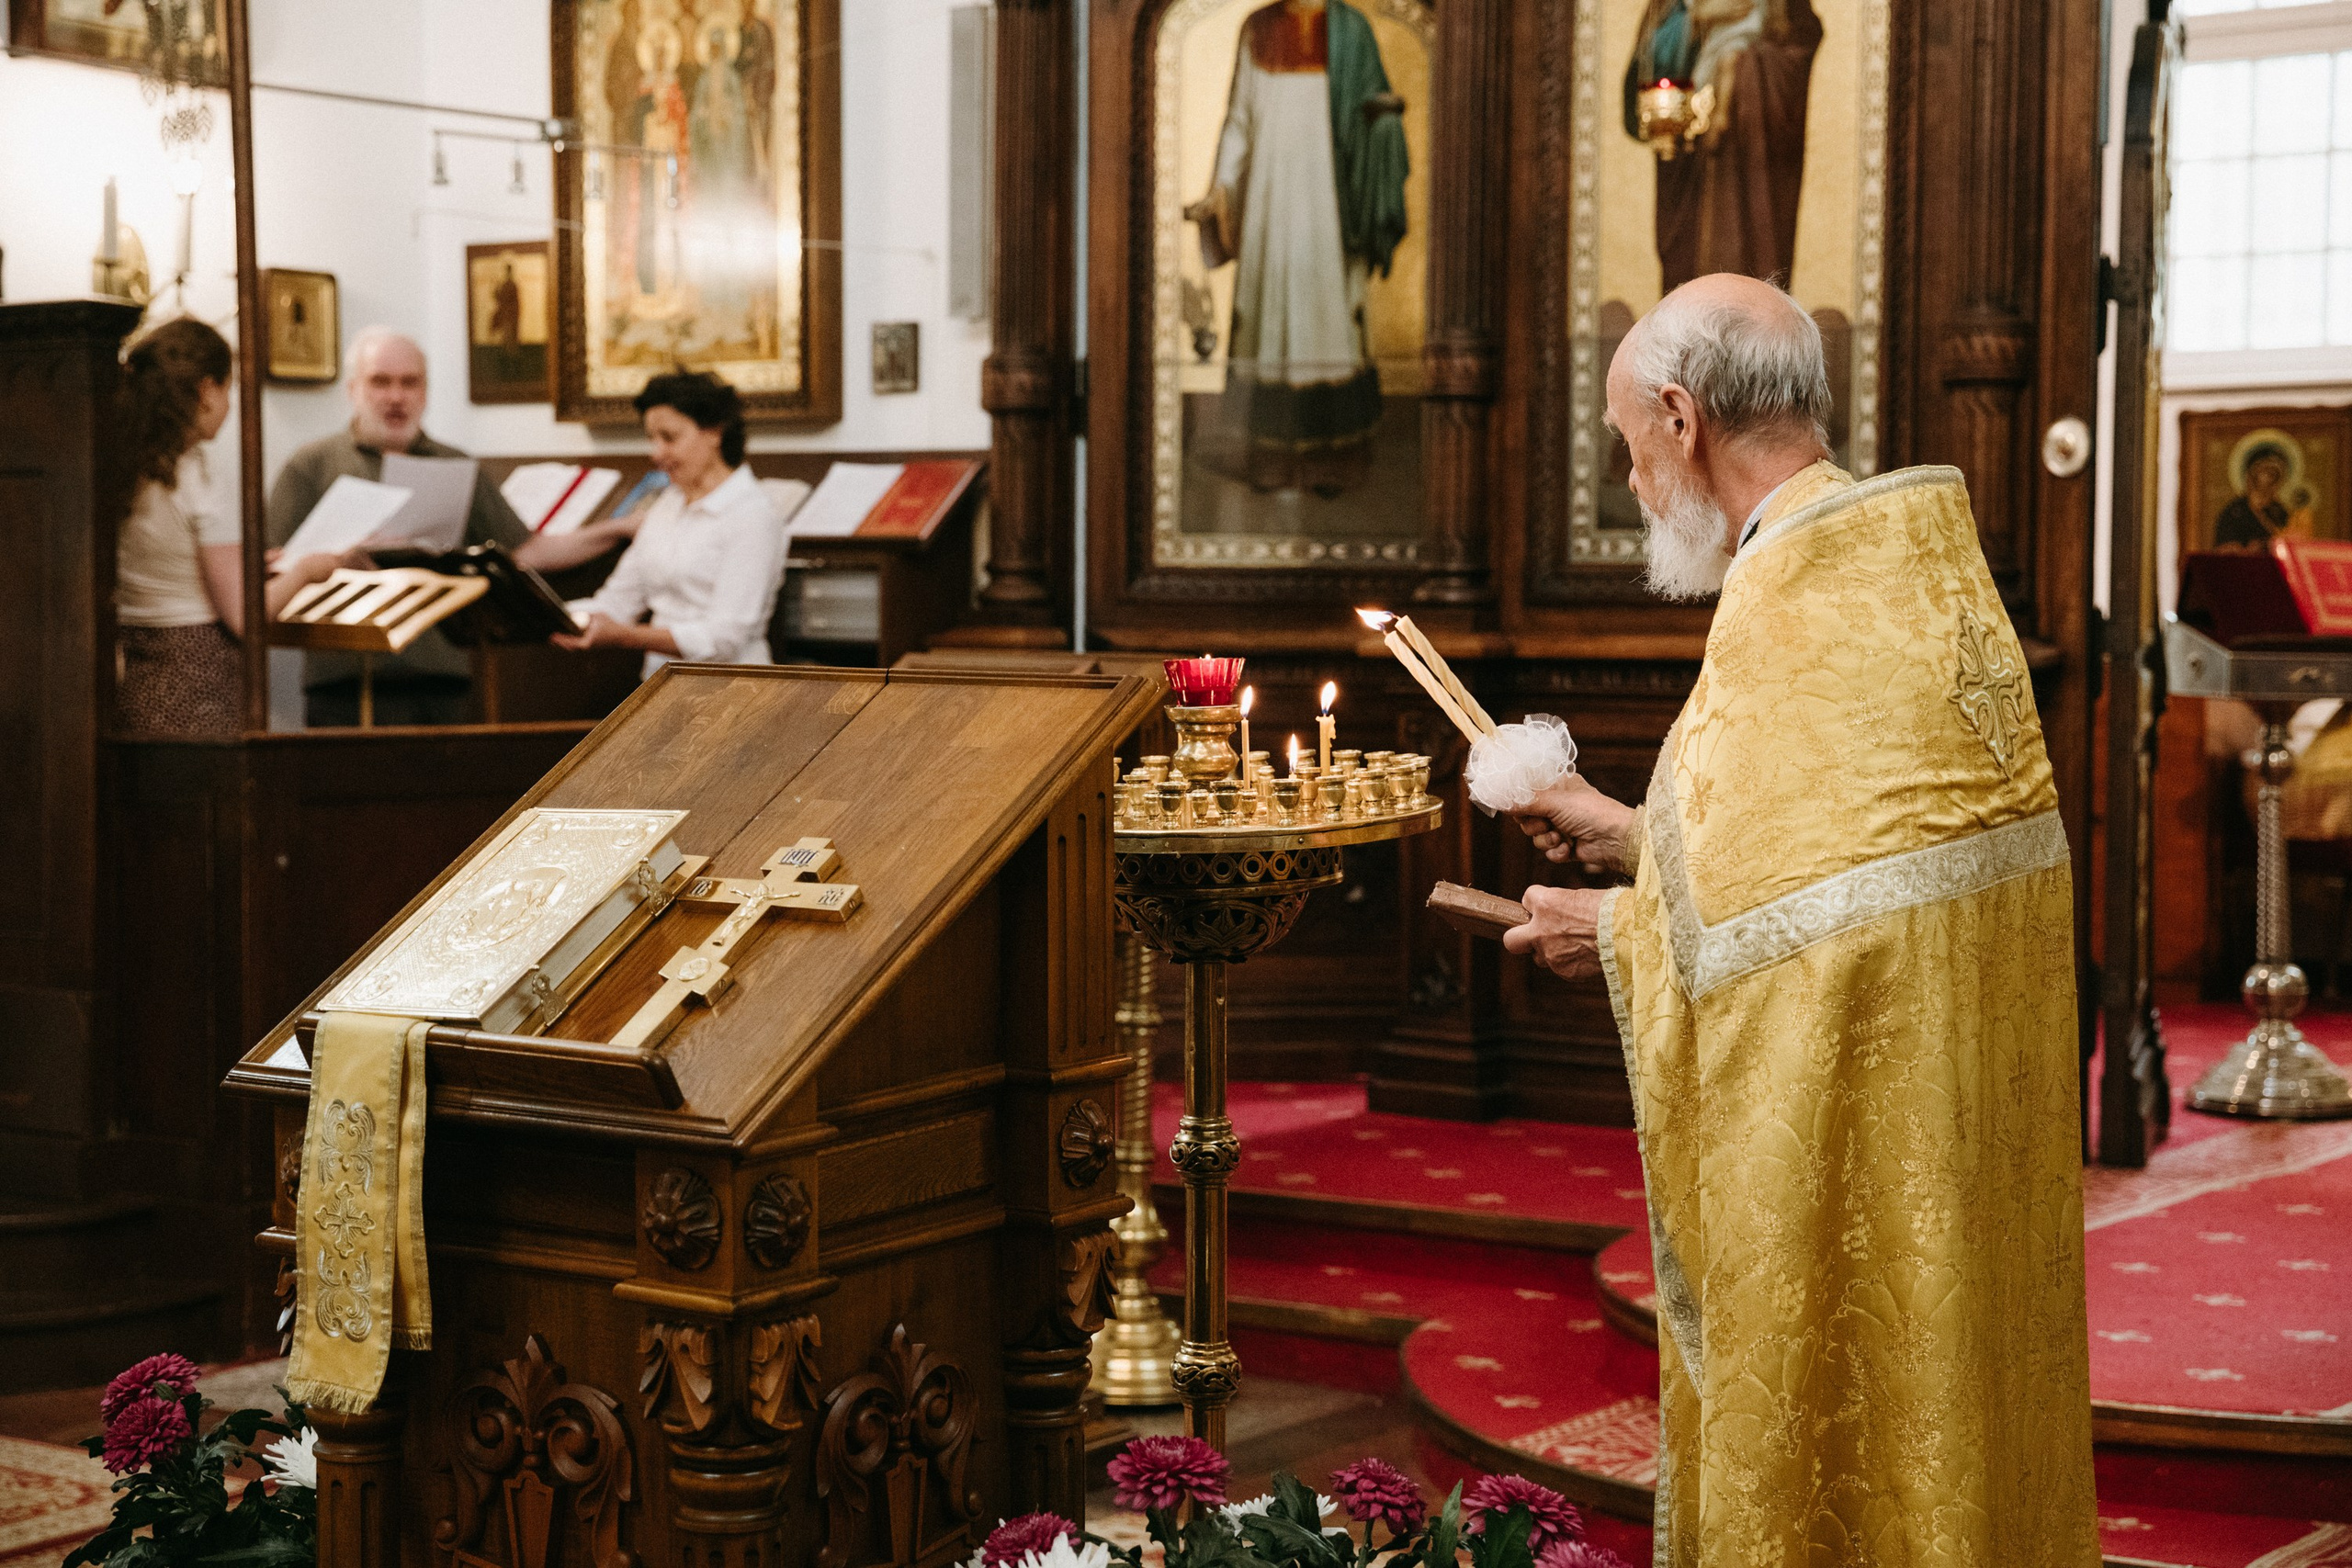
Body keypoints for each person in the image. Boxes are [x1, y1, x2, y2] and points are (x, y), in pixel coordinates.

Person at [1503, 275, 2098, 1563]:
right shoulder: (1911, 570)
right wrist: (1628, 827)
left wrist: (1607, 931)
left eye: (1625, 444)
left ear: (1680, 414)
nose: (1628, 478)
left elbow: (1798, 944)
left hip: (1879, 1170)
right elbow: (1833, 866)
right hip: (1965, 1143)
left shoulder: (1792, 604)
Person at [265, 328, 628, 726]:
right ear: (353, 389)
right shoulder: (311, 465)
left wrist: (619, 530)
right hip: (346, 680)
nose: (396, 397)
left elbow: (524, 551)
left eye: (410, 382)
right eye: (380, 382)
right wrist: (333, 563)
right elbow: (270, 570)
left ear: (425, 392)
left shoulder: (455, 466)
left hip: (440, 676)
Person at [1183, 0, 1408, 494]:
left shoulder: (1351, 30)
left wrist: (1382, 121)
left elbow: (1376, 105)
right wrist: (1222, 188)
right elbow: (1240, 119)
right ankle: (1270, 453)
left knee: (1331, 320)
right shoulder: (1257, 28)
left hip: (1331, 200)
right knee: (1268, 320)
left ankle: (1338, 454)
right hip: (1268, 204)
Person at [113, 317, 350, 737]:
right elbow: (244, 618)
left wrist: (247, 566)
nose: (228, 403)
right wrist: (307, 571)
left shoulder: (130, 467)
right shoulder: (201, 478)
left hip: (140, 668)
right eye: (227, 389)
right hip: (195, 670)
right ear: (206, 390)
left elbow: (178, 568)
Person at [552, 370, 785, 678]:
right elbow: (616, 602)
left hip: (734, 690)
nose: (656, 453)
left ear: (714, 432)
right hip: (661, 683)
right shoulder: (666, 506)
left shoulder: (753, 516)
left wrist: (625, 636)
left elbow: (724, 638)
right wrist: (548, 615)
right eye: (651, 439)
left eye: (669, 438)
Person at [1623, 0, 1822, 290]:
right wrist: (1695, 20)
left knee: (1747, 270)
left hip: (1748, 153)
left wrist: (1739, 69)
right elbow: (1650, 61)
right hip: (1687, 152)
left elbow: (1798, 41)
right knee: (1685, 274)